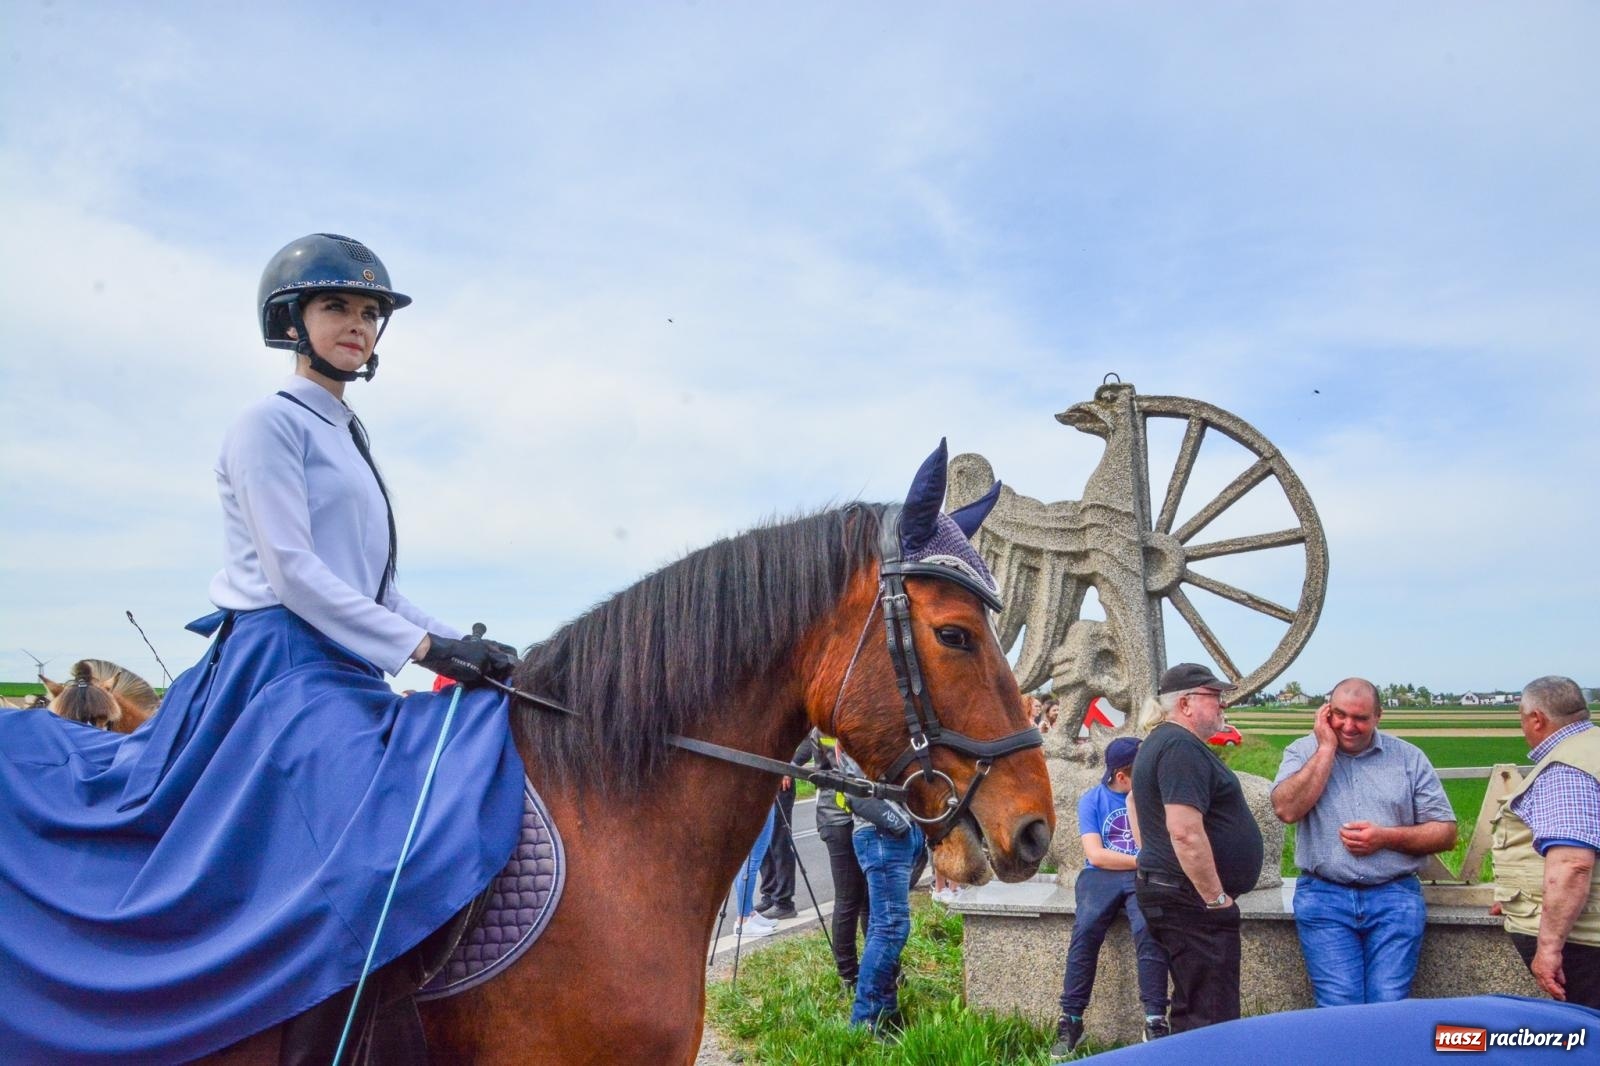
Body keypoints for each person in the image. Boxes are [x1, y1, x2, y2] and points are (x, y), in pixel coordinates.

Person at [0, 233, 527, 1065]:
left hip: (341, 669)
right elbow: (294, 573)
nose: (357, 325)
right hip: (281, 671)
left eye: (369, 312)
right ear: (292, 320)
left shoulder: (348, 432)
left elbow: (375, 586)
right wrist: (426, 646)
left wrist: (457, 643)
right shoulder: (266, 424)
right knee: (356, 861)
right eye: (337, 308)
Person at [1270, 678, 1456, 1006]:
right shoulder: (1302, 752)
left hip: (1394, 896)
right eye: (1339, 715)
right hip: (1324, 896)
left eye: (1360, 718)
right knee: (1338, 1004)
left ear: (1378, 717)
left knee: (1390, 1003)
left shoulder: (1408, 758)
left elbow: (1445, 832)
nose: (1348, 725)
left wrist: (1386, 838)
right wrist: (1325, 748)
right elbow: (1286, 809)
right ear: (1325, 712)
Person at [1130, 663, 1263, 1033]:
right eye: (1215, 696)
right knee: (1211, 1013)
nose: (1223, 705)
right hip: (1193, 901)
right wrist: (1216, 899)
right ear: (1186, 704)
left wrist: (1154, 857)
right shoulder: (1178, 746)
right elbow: (1185, 832)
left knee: (1195, 1003)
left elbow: (1134, 803)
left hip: (1175, 892)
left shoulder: (1160, 741)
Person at [1053, 736, 1170, 1056]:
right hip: (1100, 875)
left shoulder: (1152, 798)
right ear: (1122, 776)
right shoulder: (1091, 800)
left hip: (1141, 877)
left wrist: (1146, 865)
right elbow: (1097, 854)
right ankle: (1071, 1018)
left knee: (1148, 927)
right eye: (1142, 770)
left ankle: (1156, 1018)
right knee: (1087, 928)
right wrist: (1144, 860)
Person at [1491, 675, 1600, 1008]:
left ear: (1536, 718)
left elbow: (1572, 864)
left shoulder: (1567, 768)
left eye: (1522, 718)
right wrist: (1518, 894)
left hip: (1583, 943)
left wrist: (1549, 948)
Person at [840, 748, 924, 1033]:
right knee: (891, 928)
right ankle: (865, 1019)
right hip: (881, 832)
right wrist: (899, 824)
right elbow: (858, 789)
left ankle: (884, 1010)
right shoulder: (861, 730)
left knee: (883, 927)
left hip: (890, 831)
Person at [796, 731, 870, 989]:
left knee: (867, 898)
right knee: (850, 897)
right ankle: (849, 973)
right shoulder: (826, 728)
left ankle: (878, 968)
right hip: (838, 817)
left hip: (856, 816)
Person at [756, 741, 808, 920]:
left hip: (780, 780)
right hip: (760, 776)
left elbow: (810, 739)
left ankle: (784, 902)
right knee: (762, 842)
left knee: (780, 841)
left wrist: (789, 765)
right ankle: (769, 894)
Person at [731, 806, 780, 938]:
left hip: (747, 801)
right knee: (751, 862)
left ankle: (749, 913)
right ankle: (743, 919)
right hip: (757, 800)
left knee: (746, 862)